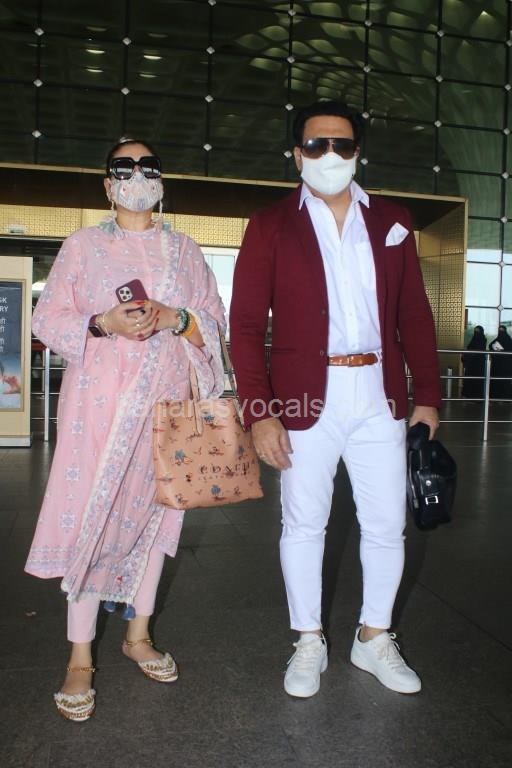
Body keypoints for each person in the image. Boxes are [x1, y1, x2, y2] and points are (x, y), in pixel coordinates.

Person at [230, 101, 441, 699]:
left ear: (357, 153)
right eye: (316, 145)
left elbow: (414, 315)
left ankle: (373, 636)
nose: (329, 155)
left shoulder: (392, 220)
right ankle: (308, 639)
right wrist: (260, 411)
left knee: (387, 524)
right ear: (296, 155)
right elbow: (245, 326)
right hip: (303, 398)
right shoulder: (271, 224)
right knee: (303, 523)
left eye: (341, 145)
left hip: (379, 393)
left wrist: (427, 395)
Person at [25, 138, 226, 721]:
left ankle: (138, 635)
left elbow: (212, 323)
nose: (137, 175)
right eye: (124, 167)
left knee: (157, 521)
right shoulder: (83, 246)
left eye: (148, 167)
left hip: (167, 410)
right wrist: (103, 322)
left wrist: (177, 318)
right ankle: (80, 657)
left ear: (161, 180)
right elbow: (48, 317)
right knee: (97, 517)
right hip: (99, 412)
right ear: (107, 184)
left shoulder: (185, 251)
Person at [462, 325, 486, 399]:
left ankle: (475, 396)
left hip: (478, 363)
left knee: (476, 379)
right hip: (472, 363)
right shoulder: (474, 339)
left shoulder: (483, 340)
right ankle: (468, 395)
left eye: (478, 331)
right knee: (470, 378)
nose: (476, 333)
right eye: (475, 331)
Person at [489, 324, 512, 399]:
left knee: (504, 381)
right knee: (496, 380)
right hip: (497, 365)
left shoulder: (509, 340)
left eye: (502, 330)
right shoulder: (497, 340)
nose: (500, 332)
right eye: (499, 330)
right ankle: (496, 397)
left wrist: (502, 350)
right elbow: (491, 345)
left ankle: (504, 397)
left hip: (505, 366)